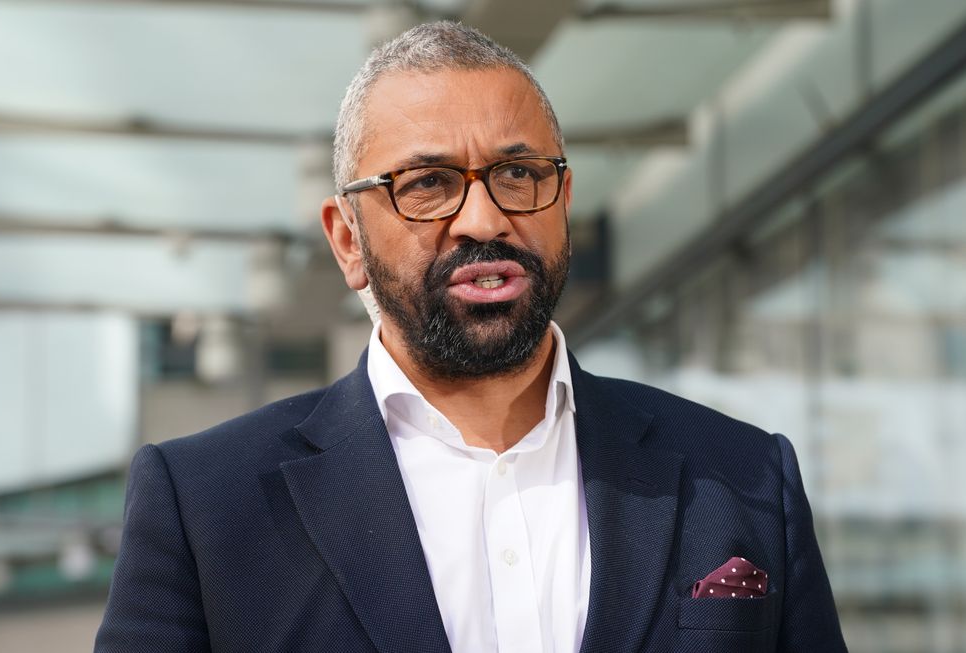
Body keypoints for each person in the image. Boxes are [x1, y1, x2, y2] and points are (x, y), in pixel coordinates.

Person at [95, 21, 847, 653]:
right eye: (426, 184)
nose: (484, 219)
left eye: (517, 173)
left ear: (564, 203)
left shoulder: (745, 479)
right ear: (348, 240)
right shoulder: (205, 505)